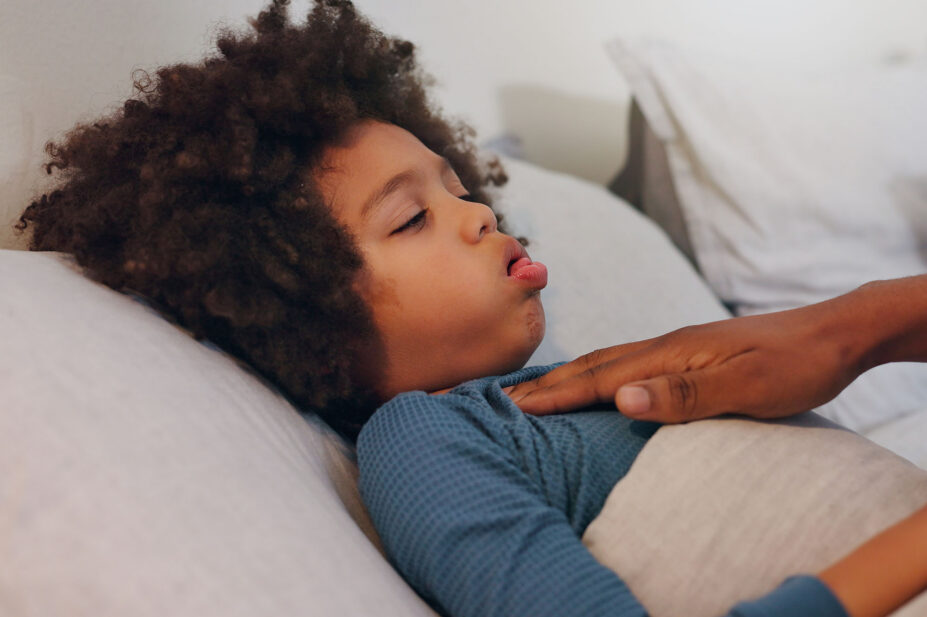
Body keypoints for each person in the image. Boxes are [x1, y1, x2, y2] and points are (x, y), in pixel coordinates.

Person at [12, 1, 927, 616]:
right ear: (301, 318)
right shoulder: (425, 440)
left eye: (458, 187)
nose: (480, 212)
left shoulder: (569, 390)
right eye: (412, 217)